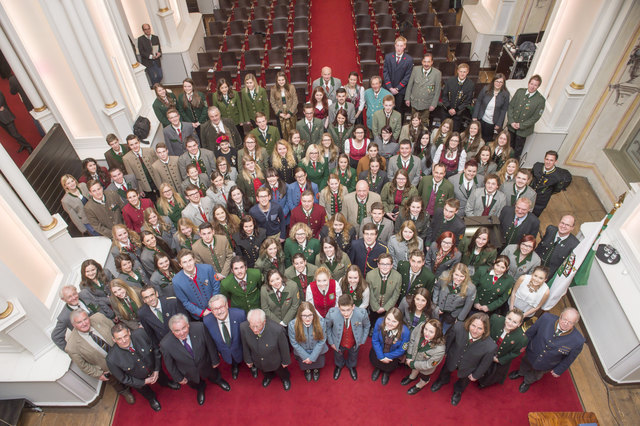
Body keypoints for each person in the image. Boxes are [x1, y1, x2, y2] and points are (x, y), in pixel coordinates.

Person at [64, 310, 135, 405]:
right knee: (116, 383)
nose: (84, 323)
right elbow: (83, 366)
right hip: (107, 368)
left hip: (123, 354)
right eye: (79, 322)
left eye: (85, 319)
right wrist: (99, 374)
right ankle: (124, 392)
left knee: (133, 371)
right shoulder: (72, 346)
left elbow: (116, 330)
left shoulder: (99, 317)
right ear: (74, 325)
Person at [106, 324, 179, 412]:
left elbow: (156, 349)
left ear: (129, 332)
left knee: (162, 376)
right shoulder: (111, 359)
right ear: (114, 339)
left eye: (125, 336)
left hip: (154, 367)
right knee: (144, 390)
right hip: (138, 379)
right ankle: (151, 398)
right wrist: (143, 382)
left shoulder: (141, 334)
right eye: (119, 339)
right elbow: (123, 378)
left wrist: (156, 369)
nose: (124, 341)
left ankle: (166, 382)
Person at [160, 314, 230, 405]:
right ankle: (200, 388)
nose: (181, 333)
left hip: (206, 363)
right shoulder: (165, 344)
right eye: (177, 331)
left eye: (183, 328)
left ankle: (217, 380)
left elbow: (210, 344)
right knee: (195, 383)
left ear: (188, 325)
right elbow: (169, 364)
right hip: (188, 372)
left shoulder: (200, 327)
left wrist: (215, 360)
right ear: (172, 331)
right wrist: (178, 378)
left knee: (214, 374)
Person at [510, 308, 585, 393]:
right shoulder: (546, 318)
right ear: (560, 316)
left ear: (574, 324)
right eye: (564, 319)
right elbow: (531, 331)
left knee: (536, 373)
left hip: (547, 363)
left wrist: (559, 370)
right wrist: (523, 344)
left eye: (570, 322)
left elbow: (570, 359)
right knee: (525, 362)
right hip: (532, 351)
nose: (566, 323)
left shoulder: (578, 340)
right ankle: (521, 372)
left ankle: (527, 381)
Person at [431, 313, 496, 405]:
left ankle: (458, 390)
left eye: (480, 328)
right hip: (453, 357)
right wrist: (445, 353)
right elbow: (449, 340)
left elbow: (485, 363)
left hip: (469, 367)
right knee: (446, 369)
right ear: (469, 323)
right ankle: (442, 380)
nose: (475, 330)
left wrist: (476, 375)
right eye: (473, 325)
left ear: (485, 330)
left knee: (464, 380)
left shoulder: (490, 346)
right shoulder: (458, 327)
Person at [240, 309, 292, 390]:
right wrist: (248, 360)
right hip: (258, 360)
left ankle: (285, 379)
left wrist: (285, 361)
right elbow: (245, 344)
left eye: (257, 326)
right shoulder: (243, 327)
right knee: (264, 370)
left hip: (275, 360)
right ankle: (269, 377)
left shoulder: (277, 330)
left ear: (264, 322)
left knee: (282, 372)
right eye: (252, 326)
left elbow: (284, 347)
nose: (255, 329)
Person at [477, 309, 527, 389]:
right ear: (506, 316)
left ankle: (483, 382)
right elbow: (485, 331)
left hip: (498, 358)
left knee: (491, 373)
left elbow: (515, 353)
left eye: (514, 322)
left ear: (519, 324)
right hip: (485, 350)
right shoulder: (495, 319)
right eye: (509, 319)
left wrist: (500, 360)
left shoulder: (522, 338)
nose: (510, 323)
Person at [51, 285, 112, 350]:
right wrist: (72, 351)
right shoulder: (64, 316)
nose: (74, 297)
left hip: (107, 328)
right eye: (69, 297)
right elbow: (56, 337)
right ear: (63, 299)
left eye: (74, 294)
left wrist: (112, 316)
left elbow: (100, 303)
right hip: (96, 341)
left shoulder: (85, 294)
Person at [325, 294, 370, 381]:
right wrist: (331, 342)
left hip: (354, 341)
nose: (346, 313)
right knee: (338, 354)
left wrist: (362, 340)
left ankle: (351, 366)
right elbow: (327, 327)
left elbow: (367, 326)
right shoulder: (332, 313)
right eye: (342, 310)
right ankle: (339, 365)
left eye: (348, 310)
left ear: (353, 306)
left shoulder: (362, 313)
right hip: (338, 341)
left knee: (353, 354)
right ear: (338, 307)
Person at [203, 294, 249, 379]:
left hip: (242, 349)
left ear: (227, 305)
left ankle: (253, 367)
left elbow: (247, 335)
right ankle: (235, 366)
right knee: (233, 361)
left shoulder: (240, 315)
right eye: (215, 309)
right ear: (211, 311)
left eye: (221, 307)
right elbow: (210, 341)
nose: (219, 311)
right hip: (226, 352)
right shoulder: (207, 321)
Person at [402, 318, 446, 395]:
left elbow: (428, 364)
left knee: (424, 377)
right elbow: (412, 339)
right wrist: (409, 355)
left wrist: (412, 364)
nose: (426, 333)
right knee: (414, 370)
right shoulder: (421, 326)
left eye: (431, 332)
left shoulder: (440, 349)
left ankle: (420, 384)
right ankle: (412, 376)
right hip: (414, 358)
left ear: (437, 334)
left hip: (425, 369)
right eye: (426, 329)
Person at [172, 249, 220, 319]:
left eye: (190, 260)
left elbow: (216, 287)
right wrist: (201, 312)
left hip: (217, 307)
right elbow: (185, 302)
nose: (188, 264)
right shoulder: (176, 281)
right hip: (199, 317)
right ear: (180, 265)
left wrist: (211, 308)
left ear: (194, 260)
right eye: (184, 262)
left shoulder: (208, 269)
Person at [507, 74, 546, 158]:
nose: (532, 87)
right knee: (508, 147)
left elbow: (535, 118)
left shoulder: (540, 100)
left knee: (517, 152)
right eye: (531, 84)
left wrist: (521, 125)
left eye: (535, 85)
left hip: (523, 131)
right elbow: (511, 106)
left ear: (538, 86)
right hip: (511, 126)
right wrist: (512, 121)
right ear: (528, 83)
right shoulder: (520, 92)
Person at [288, 302, 328, 382]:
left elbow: (322, 341)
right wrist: (306, 357)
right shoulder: (292, 325)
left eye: (310, 315)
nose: (307, 318)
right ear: (300, 315)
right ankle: (308, 370)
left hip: (318, 351)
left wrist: (312, 357)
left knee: (318, 363)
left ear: (314, 314)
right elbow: (294, 343)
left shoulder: (321, 322)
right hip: (302, 352)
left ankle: (316, 370)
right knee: (305, 365)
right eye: (304, 315)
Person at [369, 307, 410, 385]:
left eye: (394, 321)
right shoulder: (379, 322)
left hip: (392, 356)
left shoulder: (405, 332)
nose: (390, 323)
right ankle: (378, 368)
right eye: (388, 319)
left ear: (399, 322)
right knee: (376, 360)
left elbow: (402, 349)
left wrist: (386, 356)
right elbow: (375, 340)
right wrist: (381, 356)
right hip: (379, 351)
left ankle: (386, 372)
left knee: (389, 366)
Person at [432, 263, 477, 330]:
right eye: (456, 275)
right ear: (452, 273)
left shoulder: (471, 288)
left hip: (453, 313)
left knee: (445, 330)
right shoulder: (444, 277)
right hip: (439, 308)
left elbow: (467, 306)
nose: (458, 279)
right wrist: (435, 304)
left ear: (466, 276)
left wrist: (459, 319)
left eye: (462, 276)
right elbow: (436, 288)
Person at [530, 150, 573, 216]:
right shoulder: (537, 166)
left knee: (533, 216)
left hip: (541, 200)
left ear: (555, 161)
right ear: (544, 159)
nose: (548, 162)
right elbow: (532, 176)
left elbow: (556, 189)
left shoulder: (558, 177)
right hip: (529, 193)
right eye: (547, 159)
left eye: (551, 160)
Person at [405, 53, 442, 126]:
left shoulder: (437, 73)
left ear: (432, 62)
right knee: (413, 122)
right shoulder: (415, 69)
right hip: (415, 102)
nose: (426, 64)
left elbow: (437, 90)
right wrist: (407, 98)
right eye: (424, 62)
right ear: (422, 62)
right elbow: (410, 84)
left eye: (428, 62)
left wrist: (433, 104)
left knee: (423, 123)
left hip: (427, 104)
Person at [366, 253, 402, 326]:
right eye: (382, 264)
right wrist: (376, 307)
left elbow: (396, 294)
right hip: (373, 306)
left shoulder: (398, 276)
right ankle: (372, 327)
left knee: (386, 322)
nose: (385, 267)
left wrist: (386, 308)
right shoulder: (370, 275)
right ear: (378, 265)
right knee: (373, 319)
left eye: (388, 264)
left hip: (388, 306)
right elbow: (370, 293)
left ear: (391, 265)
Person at [473, 73, 510, 142]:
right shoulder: (486, 89)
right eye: (496, 81)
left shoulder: (505, 94)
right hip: (481, 118)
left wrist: (499, 123)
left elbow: (504, 110)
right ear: (493, 81)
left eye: (500, 82)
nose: (498, 84)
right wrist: (475, 116)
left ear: (503, 83)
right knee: (476, 137)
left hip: (492, 122)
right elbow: (478, 102)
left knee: (486, 140)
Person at [441, 63, 475, 132]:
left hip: (458, 114)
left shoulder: (471, 84)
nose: (462, 74)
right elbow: (444, 96)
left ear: (467, 72)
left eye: (464, 72)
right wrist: (449, 108)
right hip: (446, 111)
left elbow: (468, 101)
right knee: (443, 130)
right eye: (461, 71)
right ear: (457, 71)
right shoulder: (450, 81)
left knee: (454, 131)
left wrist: (456, 110)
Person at [383, 36, 413, 115]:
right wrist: (390, 87)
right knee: (387, 110)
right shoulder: (388, 57)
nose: (399, 48)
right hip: (388, 89)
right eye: (398, 45)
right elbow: (385, 72)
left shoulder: (409, 59)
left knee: (399, 112)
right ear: (395, 45)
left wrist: (397, 88)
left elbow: (407, 76)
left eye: (401, 46)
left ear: (405, 46)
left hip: (400, 90)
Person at [269, 71, 298, 138]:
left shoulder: (291, 87)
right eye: (279, 80)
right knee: (282, 133)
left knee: (293, 133)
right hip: (280, 115)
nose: (281, 82)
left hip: (291, 113)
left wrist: (290, 113)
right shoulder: (273, 89)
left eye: (282, 80)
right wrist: (279, 113)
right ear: (276, 80)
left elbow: (295, 100)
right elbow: (272, 102)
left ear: (285, 79)